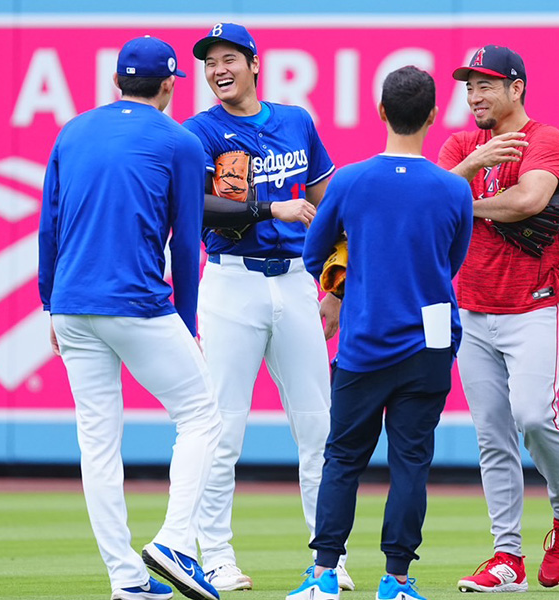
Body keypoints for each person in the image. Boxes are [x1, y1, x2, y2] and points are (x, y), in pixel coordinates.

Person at [38, 36, 222, 600]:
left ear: (117, 82)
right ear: (168, 84)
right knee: (200, 414)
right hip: (135, 302)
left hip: (72, 303)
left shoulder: (72, 131)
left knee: (97, 442)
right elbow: (186, 242)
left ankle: (126, 579)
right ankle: (172, 541)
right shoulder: (179, 141)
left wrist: (50, 302)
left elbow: (49, 226)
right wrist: (188, 321)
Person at [286, 65, 473, 600]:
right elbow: (451, 260)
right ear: (434, 116)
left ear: (382, 112)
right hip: (429, 344)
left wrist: (349, 269)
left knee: (342, 458)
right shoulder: (452, 188)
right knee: (411, 462)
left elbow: (313, 252)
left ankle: (324, 574)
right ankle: (395, 580)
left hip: (364, 342)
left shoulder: (349, 180)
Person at [181, 23, 352, 592]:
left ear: (255, 63)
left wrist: (334, 287)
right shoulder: (200, 132)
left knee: (319, 429)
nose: (217, 69)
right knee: (223, 428)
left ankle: (328, 559)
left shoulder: (296, 121)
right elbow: (205, 208)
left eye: (228, 58)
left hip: (297, 285)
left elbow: (328, 204)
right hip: (232, 284)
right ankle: (217, 557)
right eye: (209, 62)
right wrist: (269, 208)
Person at [437, 45, 559, 592]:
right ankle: (508, 558)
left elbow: (528, 201)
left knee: (531, 416)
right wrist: (465, 175)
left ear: (516, 87)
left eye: (486, 85)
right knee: (491, 437)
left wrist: (465, 200)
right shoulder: (461, 145)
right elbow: (430, 200)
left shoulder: (545, 139)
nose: (475, 95)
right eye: (469, 86)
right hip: (474, 308)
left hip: (536, 303)